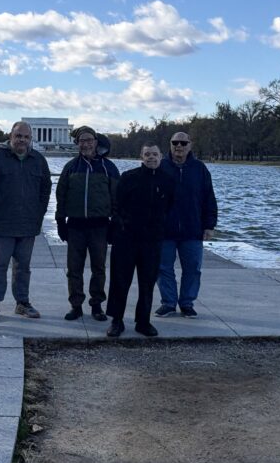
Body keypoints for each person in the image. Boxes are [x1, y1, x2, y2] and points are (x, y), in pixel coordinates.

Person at [0, 121, 52, 322]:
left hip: (27, 224)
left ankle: (22, 302)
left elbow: (45, 188)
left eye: (26, 137)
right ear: (11, 135)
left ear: (31, 139)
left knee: (23, 267)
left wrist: (39, 213)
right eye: (19, 136)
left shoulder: (38, 160)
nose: (22, 140)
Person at [106, 142, 175, 338]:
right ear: (141, 157)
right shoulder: (129, 177)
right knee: (120, 281)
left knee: (147, 282)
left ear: (161, 156)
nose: (151, 158)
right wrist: (120, 228)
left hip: (152, 240)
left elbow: (170, 206)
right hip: (126, 238)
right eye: (147, 155)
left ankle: (143, 321)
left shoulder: (168, 181)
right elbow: (116, 205)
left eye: (155, 154)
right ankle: (116, 320)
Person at [55, 126, 120, 322]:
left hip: (100, 226)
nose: (86, 144)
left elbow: (117, 198)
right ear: (78, 144)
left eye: (89, 140)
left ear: (96, 142)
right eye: (82, 141)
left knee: (98, 268)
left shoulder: (108, 167)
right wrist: (60, 220)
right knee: (74, 268)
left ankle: (97, 304)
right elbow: (61, 195)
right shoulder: (71, 167)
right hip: (75, 226)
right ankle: (76, 305)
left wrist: (115, 224)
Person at [157, 131, 217, 318]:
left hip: (192, 229)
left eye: (183, 143)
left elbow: (209, 198)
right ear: (170, 144)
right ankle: (168, 303)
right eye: (175, 142)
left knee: (192, 269)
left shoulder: (199, 169)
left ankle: (187, 303)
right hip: (165, 230)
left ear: (190, 145)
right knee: (163, 268)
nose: (179, 146)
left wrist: (209, 225)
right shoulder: (161, 166)